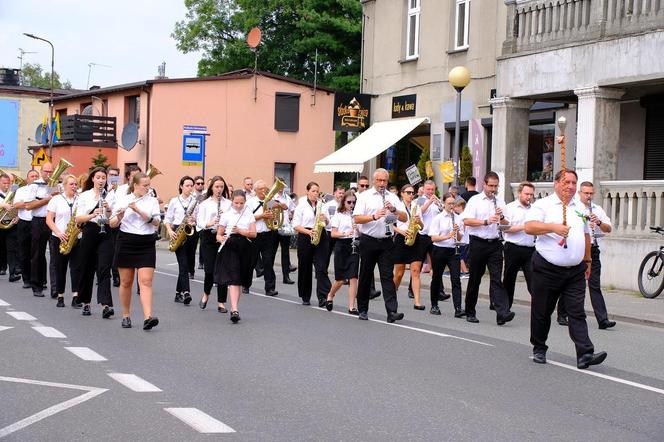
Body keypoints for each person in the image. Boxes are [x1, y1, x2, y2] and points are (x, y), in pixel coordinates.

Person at [525, 170, 607, 369]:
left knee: (577, 311)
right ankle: (539, 347)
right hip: (547, 268)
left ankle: (585, 353)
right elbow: (529, 227)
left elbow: (586, 234)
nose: (570, 186)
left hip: (575, 270)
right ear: (556, 184)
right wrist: (553, 227)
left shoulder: (580, 207)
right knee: (542, 311)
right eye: (566, 182)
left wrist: (587, 260)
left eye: (573, 183)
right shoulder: (543, 204)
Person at [460, 171, 515, 325]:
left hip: (495, 243)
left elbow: (508, 225)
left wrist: (501, 218)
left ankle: (502, 313)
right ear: (484, 184)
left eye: (496, 186)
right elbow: (466, 221)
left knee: (497, 279)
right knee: (475, 279)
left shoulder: (501, 202)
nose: (493, 189)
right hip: (478, 243)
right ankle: (470, 311)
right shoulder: (475, 200)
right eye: (490, 186)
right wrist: (485, 221)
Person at [353, 168, 407, 322]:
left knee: (387, 277)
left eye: (385, 181)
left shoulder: (393, 197)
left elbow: (404, 218)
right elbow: (356, 219)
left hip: (386, 241)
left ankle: (392, 312)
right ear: (374, 180)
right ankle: (363, 309)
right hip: (369, 240)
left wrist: (394, 210)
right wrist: (373, 216)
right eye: (380, 180)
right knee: (365, 275)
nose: (382, 184)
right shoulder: (365, 196)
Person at [110, 172, 161, 330]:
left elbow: (156, 222)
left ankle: (148, 317)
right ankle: (126, 314)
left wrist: (138, 211)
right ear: (135, 185)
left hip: (146, 242)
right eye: (144, 185)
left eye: (148, 185)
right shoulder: (123, 199)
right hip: (126, 240)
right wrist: (119, 216)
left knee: (146, 281)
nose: (147, 188)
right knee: (126, 282)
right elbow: (112, 224)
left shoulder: (152, 201)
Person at [74, 167, 114, 318]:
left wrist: (108, 208)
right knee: (87, 267)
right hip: (90, 230)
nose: (101, 180)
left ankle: (106, 305)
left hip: (106, 231)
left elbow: (112, 217)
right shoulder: (85, 196)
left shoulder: (110, 195)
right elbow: (78, 218)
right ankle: (86, 303)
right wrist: (92, 215)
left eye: (103, 178)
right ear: (93, 179)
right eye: (98, 177)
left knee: (104, 268)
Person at [576, 181, 616, 330]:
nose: (589, 196)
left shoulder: (597, 209)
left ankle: (602, 319)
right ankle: (563, 313)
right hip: (578, 249)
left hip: (593, 249)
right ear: (580, 193)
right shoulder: (574, 208)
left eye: (591, 193)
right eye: (586, 193)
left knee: (594, 285)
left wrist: (597, 222)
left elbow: (608, 228)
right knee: (573, 283)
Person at [214, 190, 257, 323]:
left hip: (244, 245)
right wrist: (222, 239)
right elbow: (218, 234)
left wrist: (240, 231)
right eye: (236, 203)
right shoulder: (226, 215)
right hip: (230, 245)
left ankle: (234, 308)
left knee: (239, 279)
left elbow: (254, 234)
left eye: (241, 203)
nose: (239, 206)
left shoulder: (248, 213)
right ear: (232, 201)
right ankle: (234, 309)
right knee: (233, 278)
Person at [45, 174, 82, 308]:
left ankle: (75, 296)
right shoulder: (56, 200)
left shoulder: (80, 199)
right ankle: (60, 295)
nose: (74, 187)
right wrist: (59, 233)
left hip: (76, 237)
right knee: (60, 267)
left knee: (76, 268)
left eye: (75, 184)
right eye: (71, 184)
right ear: (65, 185)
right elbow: (49, 219)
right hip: (59, 237)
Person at [292, 182, 331, 307]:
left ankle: (323, 297)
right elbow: (296, 225)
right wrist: (309, 232)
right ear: (307, 191)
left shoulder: (322, 205)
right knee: (305, 267)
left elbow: (329, 224)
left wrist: (325, 219)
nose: (316, 194)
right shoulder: (301, 206)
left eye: (317, 192)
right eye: (313, 191)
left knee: (321, 267)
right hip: (306, 235)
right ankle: (305, 295)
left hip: (321, 235)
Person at [196, 175, 231, 312]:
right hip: (209, 237)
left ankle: (221, 302)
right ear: (211, 188)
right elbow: (199, 222)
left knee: (222, 271)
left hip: (222, 237)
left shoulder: (228, 203)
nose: (219, 189)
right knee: (209, 270)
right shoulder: (205, 204)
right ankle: (206, 294)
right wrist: (209, 223)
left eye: (221, 187)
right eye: (217, 187)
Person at [24, 162, 58, 298]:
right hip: (39, 221)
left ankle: (55, 288)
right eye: (46, 171)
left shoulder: (55, 184)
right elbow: (28, 206)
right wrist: (48, 199)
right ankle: (36, 285)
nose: (48, 174)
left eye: (51, 172)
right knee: (37, 254)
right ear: (41, 171)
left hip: (53, 221)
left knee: (55, 255)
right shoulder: (34, 186)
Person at [429, 192, 465, 317]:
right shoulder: (438, 218)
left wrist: (457, 232)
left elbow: (461, 238)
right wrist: (447, 236)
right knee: (437, 278)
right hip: (439, 250)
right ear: (444, 203)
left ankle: (458, 308)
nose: (451, 206)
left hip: (453, 251)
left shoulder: (458, 218)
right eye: (449, 203)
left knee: (456, 279)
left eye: (453, 203)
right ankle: (434, 305)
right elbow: (433, 238)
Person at [164, 176, 199, 305]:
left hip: (191, 231)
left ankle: (178, 293)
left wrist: (194, 220)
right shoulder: (174, 201)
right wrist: (170, 231)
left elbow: (198, 218)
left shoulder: (195, 202)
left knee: (188, 265)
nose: (189, 188)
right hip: (178, 231)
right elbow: (167, 219)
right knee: (183, 265)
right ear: (181, 186)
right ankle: (186, 292)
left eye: (191, 186)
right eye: (187, 185)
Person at [502, 182, 536, 309]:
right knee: (509, 280)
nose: (529, 197)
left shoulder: (535, 209)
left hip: (530, 249)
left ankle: (538, 309)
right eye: (526, 194)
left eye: (531, 195)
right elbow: (505, 229)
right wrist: (524, 227)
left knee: (533, 280)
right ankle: (505, 309)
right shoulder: (510, 208)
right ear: (519, 193)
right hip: (513, 248)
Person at [326, 190, 360, 314]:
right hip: (342, 246)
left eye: (354, 202)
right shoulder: (338, 215)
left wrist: (358, 230)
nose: (352, 204)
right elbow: (333, 233)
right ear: (343, 202)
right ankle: (330, 295)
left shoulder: (356, 215)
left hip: (354, 246)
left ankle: (352, 306)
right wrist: (345, 233)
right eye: (349, 202)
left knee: (353, 277)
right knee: (340, 279)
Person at [415, 180, 449, 300]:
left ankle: (439, 291)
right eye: (428, 189)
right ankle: (411, 288)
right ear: (424, 189)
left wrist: (440, 205)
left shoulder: (436, 200)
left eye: (432, 190)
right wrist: (429, 202)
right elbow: (419, 212)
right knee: (417, 264)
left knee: (436, 265)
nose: (430, 192)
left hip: (434, 237)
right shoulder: (420, 199)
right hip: (423, 236)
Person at [392, 184, 424, 309]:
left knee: (416, 271)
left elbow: (422, 227)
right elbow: (389, 224)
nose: (411, 195)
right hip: (401, 238)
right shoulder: (397, 207)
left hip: (415, 238)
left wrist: (418, 221)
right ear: (402, 193)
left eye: (412, 193)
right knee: (399, 273)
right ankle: (392, 294)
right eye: (408, 192)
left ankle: (417, 301)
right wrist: (401, 231)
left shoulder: (417, 207)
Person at [246, 180, 279, 297]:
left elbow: (276, 214)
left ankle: (270, 288)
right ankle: (246, 285)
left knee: (268, 262)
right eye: (261, 189)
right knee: (251, 261)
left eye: (265, 188)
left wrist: (275, 214)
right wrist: (262, 216)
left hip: (268, 234)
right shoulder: (250, 202)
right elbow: (247, 219)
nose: (264, 191)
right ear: (255, 191)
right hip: (255, 235)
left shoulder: (269, 201)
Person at [12, 170, 39, 289]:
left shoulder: (42, 190)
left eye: (36, 176)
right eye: (32, 176)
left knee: (37, 252)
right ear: (28, 179)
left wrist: (29, 204)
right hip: (24, 222)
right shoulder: (21, 190)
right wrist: (31, 203)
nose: (34, 178)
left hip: (37, 222)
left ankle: (37, 280)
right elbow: (16, 205)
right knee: (24, 252)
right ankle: (26, 279)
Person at [356, 175, 381, 299]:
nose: (364, 187)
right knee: (362, 267)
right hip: (357, 235)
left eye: (366, 185)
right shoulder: (355, 197)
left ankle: (370, 289)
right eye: (362, 185)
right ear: (357, 186)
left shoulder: (373, 197)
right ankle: (359, 290)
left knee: (367, 266)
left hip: (369, 235)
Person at [274, 186, 297, 284]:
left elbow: (293, 209)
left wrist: (292, 216)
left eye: (282, 186)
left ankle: (286, 277)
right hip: (274, 227)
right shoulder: (271, 196)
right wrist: (279, 205)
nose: (280, 188)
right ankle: (269, 279)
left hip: (285, 227)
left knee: (285, 253)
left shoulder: (287, 197)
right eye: (279, 185)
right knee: (271, 254)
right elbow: (268, 206)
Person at [0, 173, 20, 281]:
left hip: (10, 224)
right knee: (1, 247)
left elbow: (17, 208)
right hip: (0, 224)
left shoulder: (13, 194)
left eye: (8, 183)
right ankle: (2, 267)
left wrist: (17, 217)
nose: (6, 185)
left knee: (11, 249)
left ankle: (12, 274)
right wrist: (3, 205)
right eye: (4, 183)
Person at [106, 167, 121, 287]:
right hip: (105, 222)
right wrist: (108, 191)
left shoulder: (121, 190)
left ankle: (116, 275)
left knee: (116, 250)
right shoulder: (102, 189)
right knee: (105, 249)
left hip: (117, 222)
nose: (113, 177)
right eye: (111, 175)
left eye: (115, 175)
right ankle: (104, 273)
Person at [453, 200, 470, 277]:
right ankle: (461, 270)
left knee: (460, 256)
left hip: (462, 239)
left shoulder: (461, 217)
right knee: (461, 255)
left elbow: (462, 228)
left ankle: (465, 271)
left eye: (456, 207)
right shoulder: (466, 215)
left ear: (460, 207)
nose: (455, 208)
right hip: (466, 239)